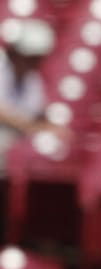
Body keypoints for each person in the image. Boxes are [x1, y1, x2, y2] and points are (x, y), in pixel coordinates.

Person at [0, 18, 68, 175]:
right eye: (29, 57)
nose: (34, 63)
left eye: (37, 58)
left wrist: (52, 127)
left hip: (15, 143)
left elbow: (39, 114)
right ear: (15, 52)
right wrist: (31, 126)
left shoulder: (32, 79)